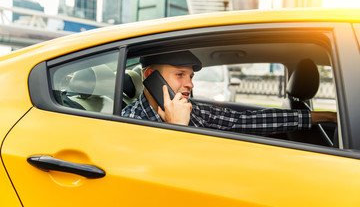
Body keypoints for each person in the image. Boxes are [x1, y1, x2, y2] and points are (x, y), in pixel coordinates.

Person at [121, 51, 337, 135]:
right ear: (150, 75)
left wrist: (325, 116)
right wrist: (176, 130)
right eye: (180, 74)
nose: (190, 85)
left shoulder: (193, 111)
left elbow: (249, 120)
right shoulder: (129, 123)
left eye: (191, 77)